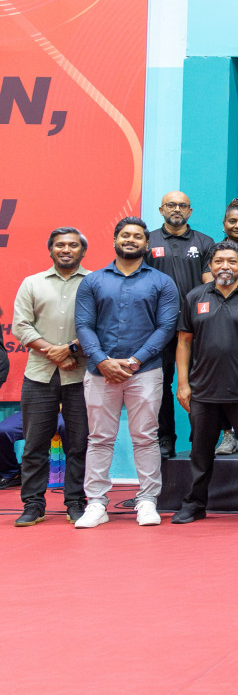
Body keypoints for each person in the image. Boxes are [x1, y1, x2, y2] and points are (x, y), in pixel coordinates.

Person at [73, 217, 180, 529]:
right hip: (99, 372)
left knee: (146, 437)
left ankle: (147, 500)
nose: (131, 240)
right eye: (125, 235)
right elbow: (83, 326)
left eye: (137, 236)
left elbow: (166, 327)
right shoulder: (93, 281)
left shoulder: (162, 283)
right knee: (99, 438)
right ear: (115, 240)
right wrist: (102, 360)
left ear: (147, 245)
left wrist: (134, 361)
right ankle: (96, 503)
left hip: (145, 372)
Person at [171, 241, 238, 524]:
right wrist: (184, 384)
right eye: (219, 261)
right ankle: (195, 503)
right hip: (203, 389)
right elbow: (184, 342)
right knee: (200, 452)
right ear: (210, 266)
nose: (225, 266)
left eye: (232, 261)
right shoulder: (194, 296)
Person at [11, 227, 90, 526]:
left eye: (72, 245)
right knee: (34, 444)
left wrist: (69, 350)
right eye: (60, 245)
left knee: (79, 442)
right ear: (50, 250)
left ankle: (75, 502)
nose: (66, 249)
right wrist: (54, 353)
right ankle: (33, 504)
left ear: (82, 251)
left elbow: (100, 326)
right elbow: (22, 326)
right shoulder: (32, 283)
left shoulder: (94, 282)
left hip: (81, 375)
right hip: (39, 375)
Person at [146, 192, 216, 458]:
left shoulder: (205, 242)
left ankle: (199, 436)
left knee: (199, 383)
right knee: (161, 383)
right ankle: (165, 438)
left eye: (183, 206)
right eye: (171, 205)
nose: (177, 209)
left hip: (195, 326)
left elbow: (210, 285)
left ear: (190, 211)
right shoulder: (148, 240)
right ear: (161, 208)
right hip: (157, 327)